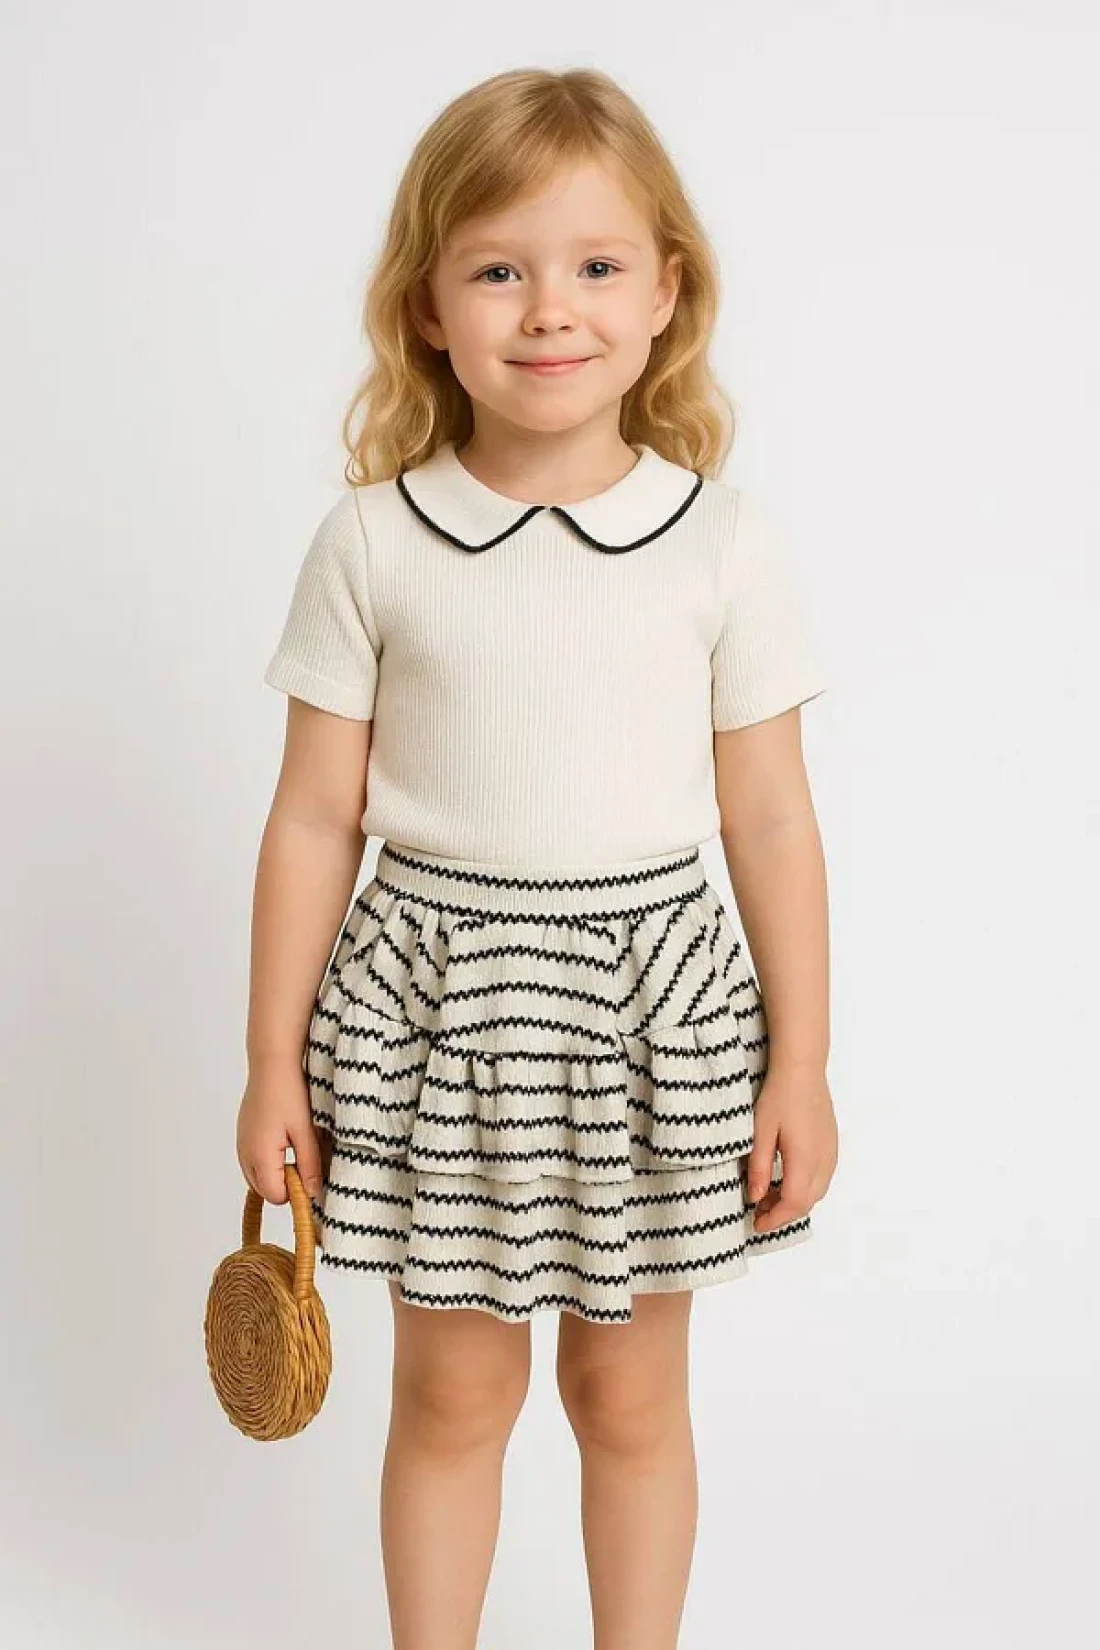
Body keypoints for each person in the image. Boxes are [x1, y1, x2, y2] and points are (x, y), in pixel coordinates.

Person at [238, 64, 838, 1650]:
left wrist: (804, 1062)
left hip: (651, 1013)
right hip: (434, 1015)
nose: (551, 307)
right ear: (428, 308)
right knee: (451, 1394)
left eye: (596, 265)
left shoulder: (721, 543)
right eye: (500, 267)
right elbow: (312, 816)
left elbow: (773, 815)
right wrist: (269, 1063)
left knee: (628, 1396)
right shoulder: (374, 541)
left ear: (666, 294)